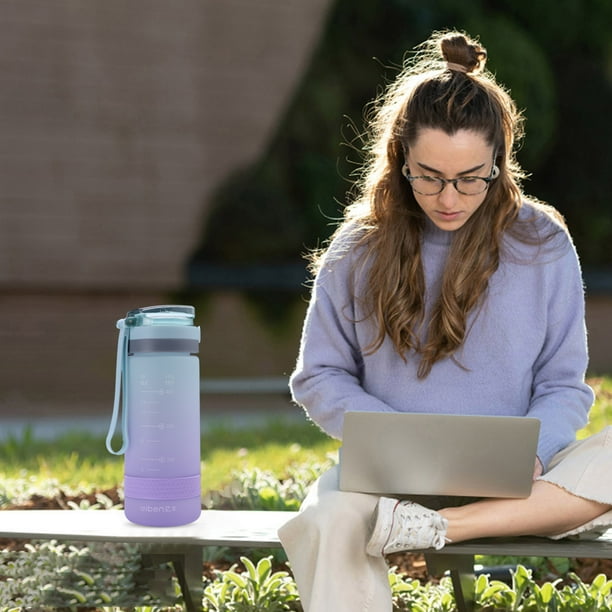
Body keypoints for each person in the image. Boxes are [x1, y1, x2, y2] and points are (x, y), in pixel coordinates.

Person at [277, 30, 612, 611]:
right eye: (429, 176)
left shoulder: (543, 242)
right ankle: (413, 519)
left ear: (499, 164)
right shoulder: (358, 246)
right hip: (386, 483)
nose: (449, 198)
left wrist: (533, 454)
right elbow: (319, 375)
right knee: (329, 518)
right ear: (399, 159)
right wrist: (397, 442)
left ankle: (443, 528)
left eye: (470, 178)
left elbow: (563, 384)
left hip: (520, 480)